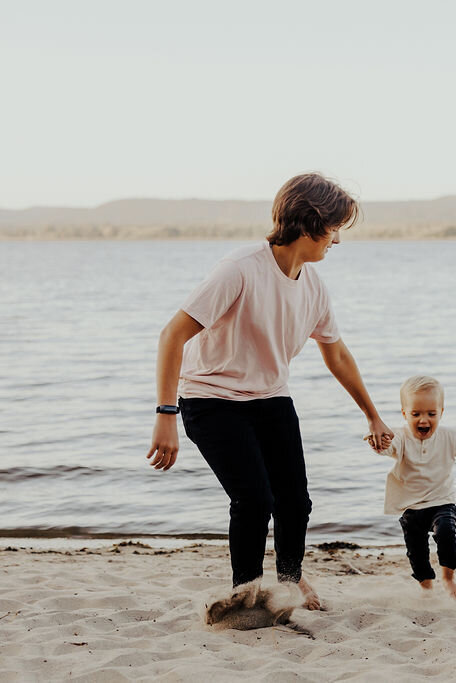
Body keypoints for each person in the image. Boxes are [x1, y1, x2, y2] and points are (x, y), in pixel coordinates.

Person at [145, 172, 393, 611]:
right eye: (334, 229)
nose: (336, 240)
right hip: (211, 398)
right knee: (254, 498)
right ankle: (247, 593)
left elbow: (337, 355)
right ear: (310, 222)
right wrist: (166, 414)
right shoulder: (239, 269)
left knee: (295, 501)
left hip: (270, 398)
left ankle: (290, 580)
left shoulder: (313, 286)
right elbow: (172, 335)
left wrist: (371, 414)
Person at [368, 375, 456, 600]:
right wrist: (381, 442)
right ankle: (426, 587)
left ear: (441, 412)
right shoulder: (401, 437)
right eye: (416, 414)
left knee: (446, 533)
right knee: (416, 552)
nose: (423, 420)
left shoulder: (449, 436)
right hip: (411, 506)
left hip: (442, 501)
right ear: (405, 414)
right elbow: (389, 447)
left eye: (431, 414)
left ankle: (448, 578)